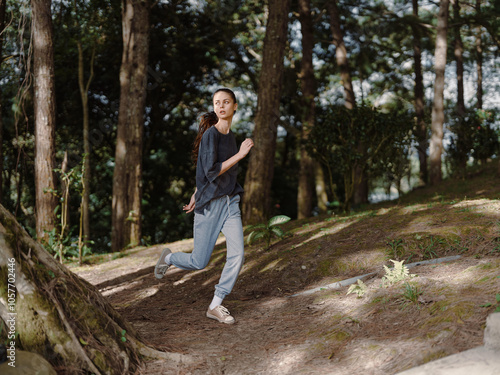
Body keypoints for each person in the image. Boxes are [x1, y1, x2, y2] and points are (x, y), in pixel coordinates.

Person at [154, 88, 254, 324]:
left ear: (235, 106)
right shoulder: (211, 135)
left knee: (237, 254)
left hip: (230, 202)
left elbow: (207, 173)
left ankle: (216, 304)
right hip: (210, 205)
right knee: (199, 262)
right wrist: (240, 156)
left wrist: (196, 191)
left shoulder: (231, 136)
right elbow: (210, 170)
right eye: (217, 102)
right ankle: (168, 259)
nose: (221, 106)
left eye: (226, 102)